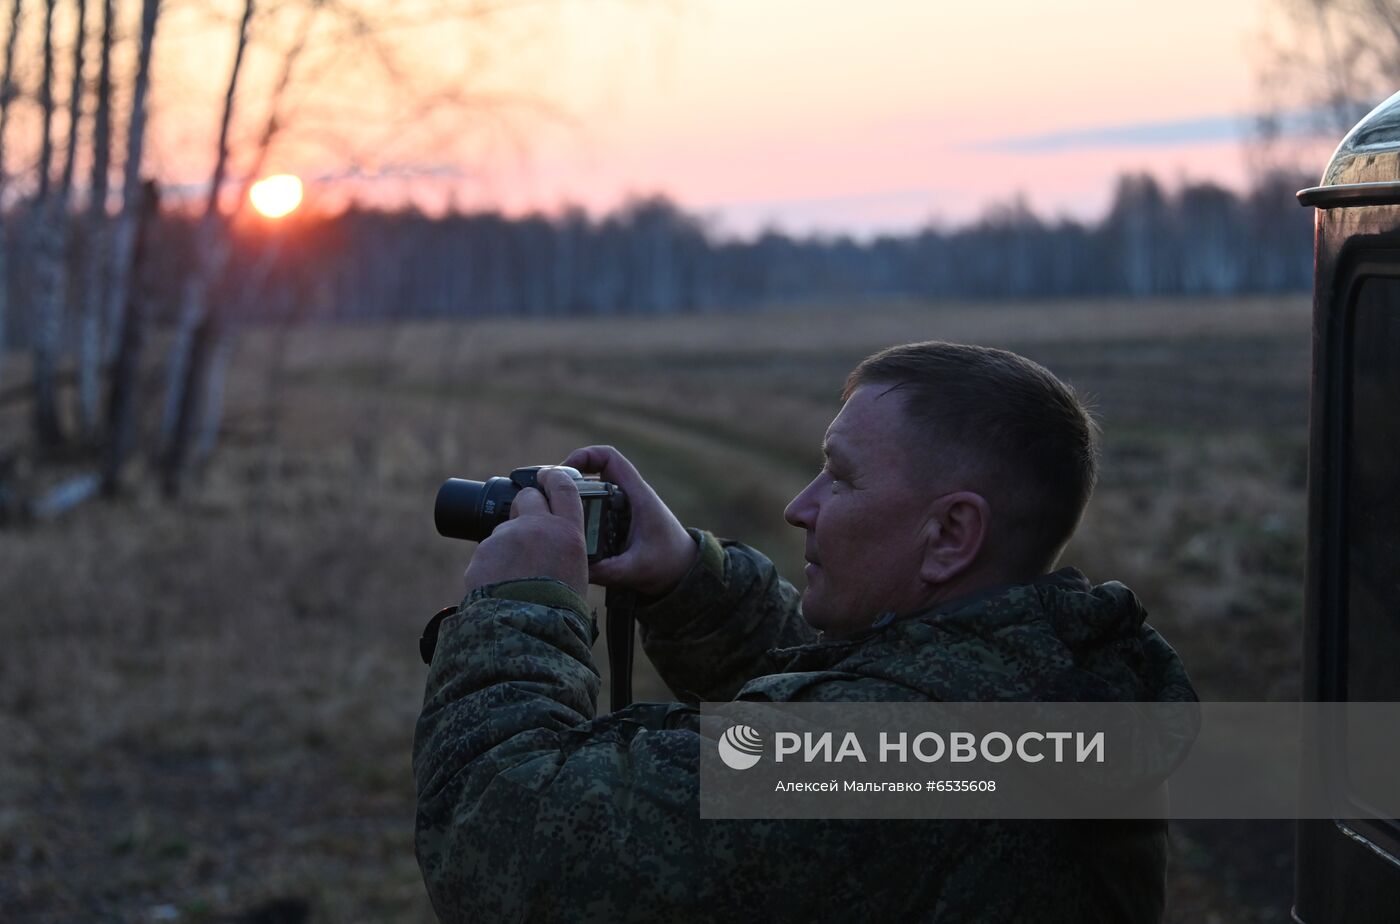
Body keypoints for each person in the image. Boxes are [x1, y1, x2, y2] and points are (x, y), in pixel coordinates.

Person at [413, 341, 1197, 923]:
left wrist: (519, 607)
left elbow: (500, 841)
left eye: (842, 476)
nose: (801, 505)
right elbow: (863, 694)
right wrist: (686, 578)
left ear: (952, 535)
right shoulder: (1038, 673)